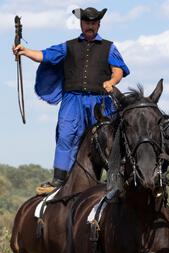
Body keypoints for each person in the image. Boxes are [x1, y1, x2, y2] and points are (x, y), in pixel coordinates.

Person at [12, 7, 130, 194]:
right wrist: (25, 51)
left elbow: (118, 70)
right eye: (87, 23)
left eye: (93, 23)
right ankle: (59, 180)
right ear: (81, 24)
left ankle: (116, 180)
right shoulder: (68, 46)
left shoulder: (109, 47)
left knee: (108, 139)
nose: (90, 26)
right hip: (72, 101)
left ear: (98, 24)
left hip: (99, 101)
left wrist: (112, 81)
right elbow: (45, 55)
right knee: (66, 135)